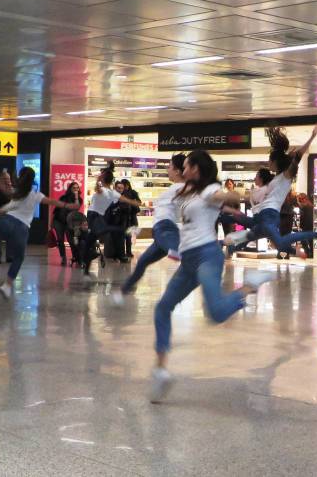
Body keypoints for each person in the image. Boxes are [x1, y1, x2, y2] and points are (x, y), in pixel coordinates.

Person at [149, 150, 275, 403]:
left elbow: (222, 196)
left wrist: (232, 195)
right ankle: (161, 371)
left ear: (196, 169)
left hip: (207, 256)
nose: (181, 170)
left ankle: (249, 285)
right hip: (189, 261)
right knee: (162, 308)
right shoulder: (187, 191)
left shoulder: (208, 190)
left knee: (215, 313)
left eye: (185, 166)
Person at [225, 122, 317, 259]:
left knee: (279, 241)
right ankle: (228, 247)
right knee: (252, 234)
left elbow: (298, 157)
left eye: (270, 160)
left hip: (271, 216)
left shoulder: (286, 176)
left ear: (275, 161)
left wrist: (313, 136)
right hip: (266, 215)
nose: (268, 162)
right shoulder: (276, 177)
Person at [0, 167, 77, 300]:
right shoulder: (35, 194)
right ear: (32, 179)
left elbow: (4, 193)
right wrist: (68, 205)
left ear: (20, 177)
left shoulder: (16, 192)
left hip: (7, 221)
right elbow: (52, 201)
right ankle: (7, 286)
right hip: (21, 229)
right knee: (19, 258)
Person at [117, 154, 186, 302]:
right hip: (160, 234)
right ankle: (124, 290)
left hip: (165, 227)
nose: (167, 170)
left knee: (167, 242)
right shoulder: (176, 187)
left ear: (178, 171)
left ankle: (176, 250)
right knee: (142, 262)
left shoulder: (182, 187)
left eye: (169, 166)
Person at [79, 162, 147, 275]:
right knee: (99, 236)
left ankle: (86, 266)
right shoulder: (112, 193)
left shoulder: (106, 191)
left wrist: (99, 178)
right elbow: (128, 201)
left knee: (91, 240)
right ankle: (87, 263)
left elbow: (98, 187)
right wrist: (137, 203)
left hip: (94, 216)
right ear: (112, 181)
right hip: (96, 217)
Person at [52, 181, 83, 266]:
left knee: (71, 241)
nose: (76, 190)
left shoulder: (79, 199)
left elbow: (76, 208)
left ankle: (75, 258)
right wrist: (52, 223)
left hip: (69, 223)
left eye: (77, 188)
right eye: (74, 188)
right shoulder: (63, 197)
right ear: (70, 189)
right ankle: (63, 257)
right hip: (58, 221)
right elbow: (56, 210)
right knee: (60, 240)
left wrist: (76, 197)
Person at [120, 180, 141, 258]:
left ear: (127, 185)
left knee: (129, 234)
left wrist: (130, 202)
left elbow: (139, 202)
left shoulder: (133, 192)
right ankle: (123, 252)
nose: (123, 188)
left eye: (124, 186)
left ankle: (128, 251)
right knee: (124, 234)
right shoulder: (120, 193)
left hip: (131, 215)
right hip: (123, 216)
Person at [277, 190, 298, 260]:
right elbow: (296, 204)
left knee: (282, 235)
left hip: (283, 217)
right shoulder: (292, 196)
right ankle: (286, 254)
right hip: (288, 217)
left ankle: (280, 253)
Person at [297, 193, 316, 259]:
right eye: (300, 199)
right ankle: (309, 253)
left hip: (307, 225)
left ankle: (309, 253)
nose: (301, 201)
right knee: (307, 240)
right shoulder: (308, 205)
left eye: (301, 199)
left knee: (306, 240)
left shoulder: (306, 206)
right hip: (307, 225)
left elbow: (306, 217)